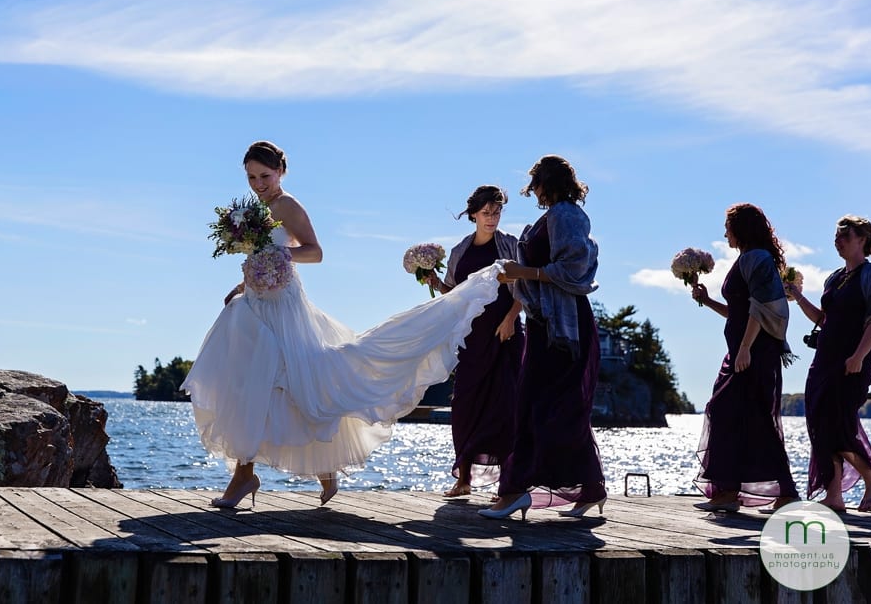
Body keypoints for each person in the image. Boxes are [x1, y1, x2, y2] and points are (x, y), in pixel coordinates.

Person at [181, 141, 503, 508]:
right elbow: (259, 256)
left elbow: (314, 251)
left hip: (284, 308)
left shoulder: (287, 205)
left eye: (265, 176)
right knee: (255, 383)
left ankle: (266, 473)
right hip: (255, 304)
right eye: (252, 177)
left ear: (280, 172)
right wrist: (243, 283)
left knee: (296, 383)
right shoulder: (257, 210)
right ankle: (264, 472)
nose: (258, 183)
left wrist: (278, 254)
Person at [478, 155, 607, 521]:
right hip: (544, 325)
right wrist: (517, 277)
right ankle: (590, 486)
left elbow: (574, 270)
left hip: (563, 329)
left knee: (542, 409)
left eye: (535, 183)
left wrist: (524, 271)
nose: (532, 191)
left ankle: (515, 490)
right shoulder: (552, 216)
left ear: (546, 183)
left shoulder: (565, 215)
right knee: (550, 408)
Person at [689, 203, 799, 513]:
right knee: (741, 417)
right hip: (741, 351)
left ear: (741, 228)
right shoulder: (748, 258)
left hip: (753, 353)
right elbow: (737, 311)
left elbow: (761, 308)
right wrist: (708, 300)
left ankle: (733, 491)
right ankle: (736, 491)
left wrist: (746, 348)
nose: (725, 233)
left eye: (728, 227)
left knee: (731, 412)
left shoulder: (757, 258)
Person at [425, 186, 523, 498]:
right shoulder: (460, 252)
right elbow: (455, 296)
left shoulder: (510, 244)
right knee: (464, 406)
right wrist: (436, 283)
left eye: (497, 212)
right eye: (486, 213)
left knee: (506, 408)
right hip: (471, 339)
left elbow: (524, 288)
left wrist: (510, 319)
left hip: (505, 335)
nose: (492, 218)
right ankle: (463, 479)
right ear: (473, 215)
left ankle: (509, 482)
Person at [786, 215, 871, 513]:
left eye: (844, 235)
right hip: (824, 361)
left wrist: (857, 356)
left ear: (862, 240)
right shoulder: (834, 278)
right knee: (819, 425)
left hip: (852, 363)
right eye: (836, 235)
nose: (837, 240)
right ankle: (834, 496)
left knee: (838, 426)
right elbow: (823, 320)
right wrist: (798, 297)